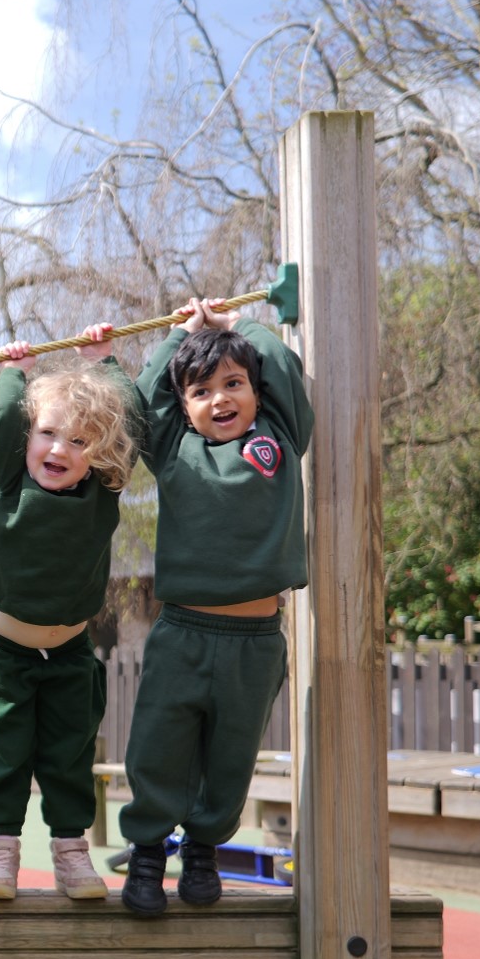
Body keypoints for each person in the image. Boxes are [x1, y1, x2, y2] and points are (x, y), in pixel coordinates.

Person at [118, 298, 313, 915]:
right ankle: (148, 852)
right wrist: (181, 334)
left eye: (234, 384)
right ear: (184, 407)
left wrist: (237, 327)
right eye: (202, 391)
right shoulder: (174, 449)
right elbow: (142, 402)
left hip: (255, 640)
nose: (221, 399)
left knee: (233, 755)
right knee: (159, 745)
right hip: (184, 630)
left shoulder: (281, 437)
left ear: (256, 394)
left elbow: (281, 365)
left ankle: (203, 849)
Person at [0, 326, 135, 901]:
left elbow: (134, 418)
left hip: (71, 654)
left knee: (68, 755)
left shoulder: (101, 494)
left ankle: (72, 854)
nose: (60, 449)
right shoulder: (4, 484)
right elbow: (2, 427)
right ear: (26, 440)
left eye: (80, 442)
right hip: (8, 651)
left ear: (99, 456)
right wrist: (13, 376)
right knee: (5, 753)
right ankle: (0, 851)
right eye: (48, 434)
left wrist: (105, 365)